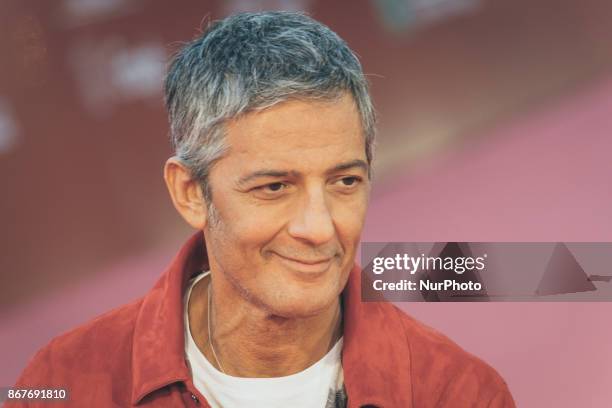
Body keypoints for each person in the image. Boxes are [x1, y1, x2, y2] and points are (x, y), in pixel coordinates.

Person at [10, 11, 515, 408]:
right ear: (190, 192)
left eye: (344, 181)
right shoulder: (64, 384)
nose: (320, 228)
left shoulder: (459, 393)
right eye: (275, 187)